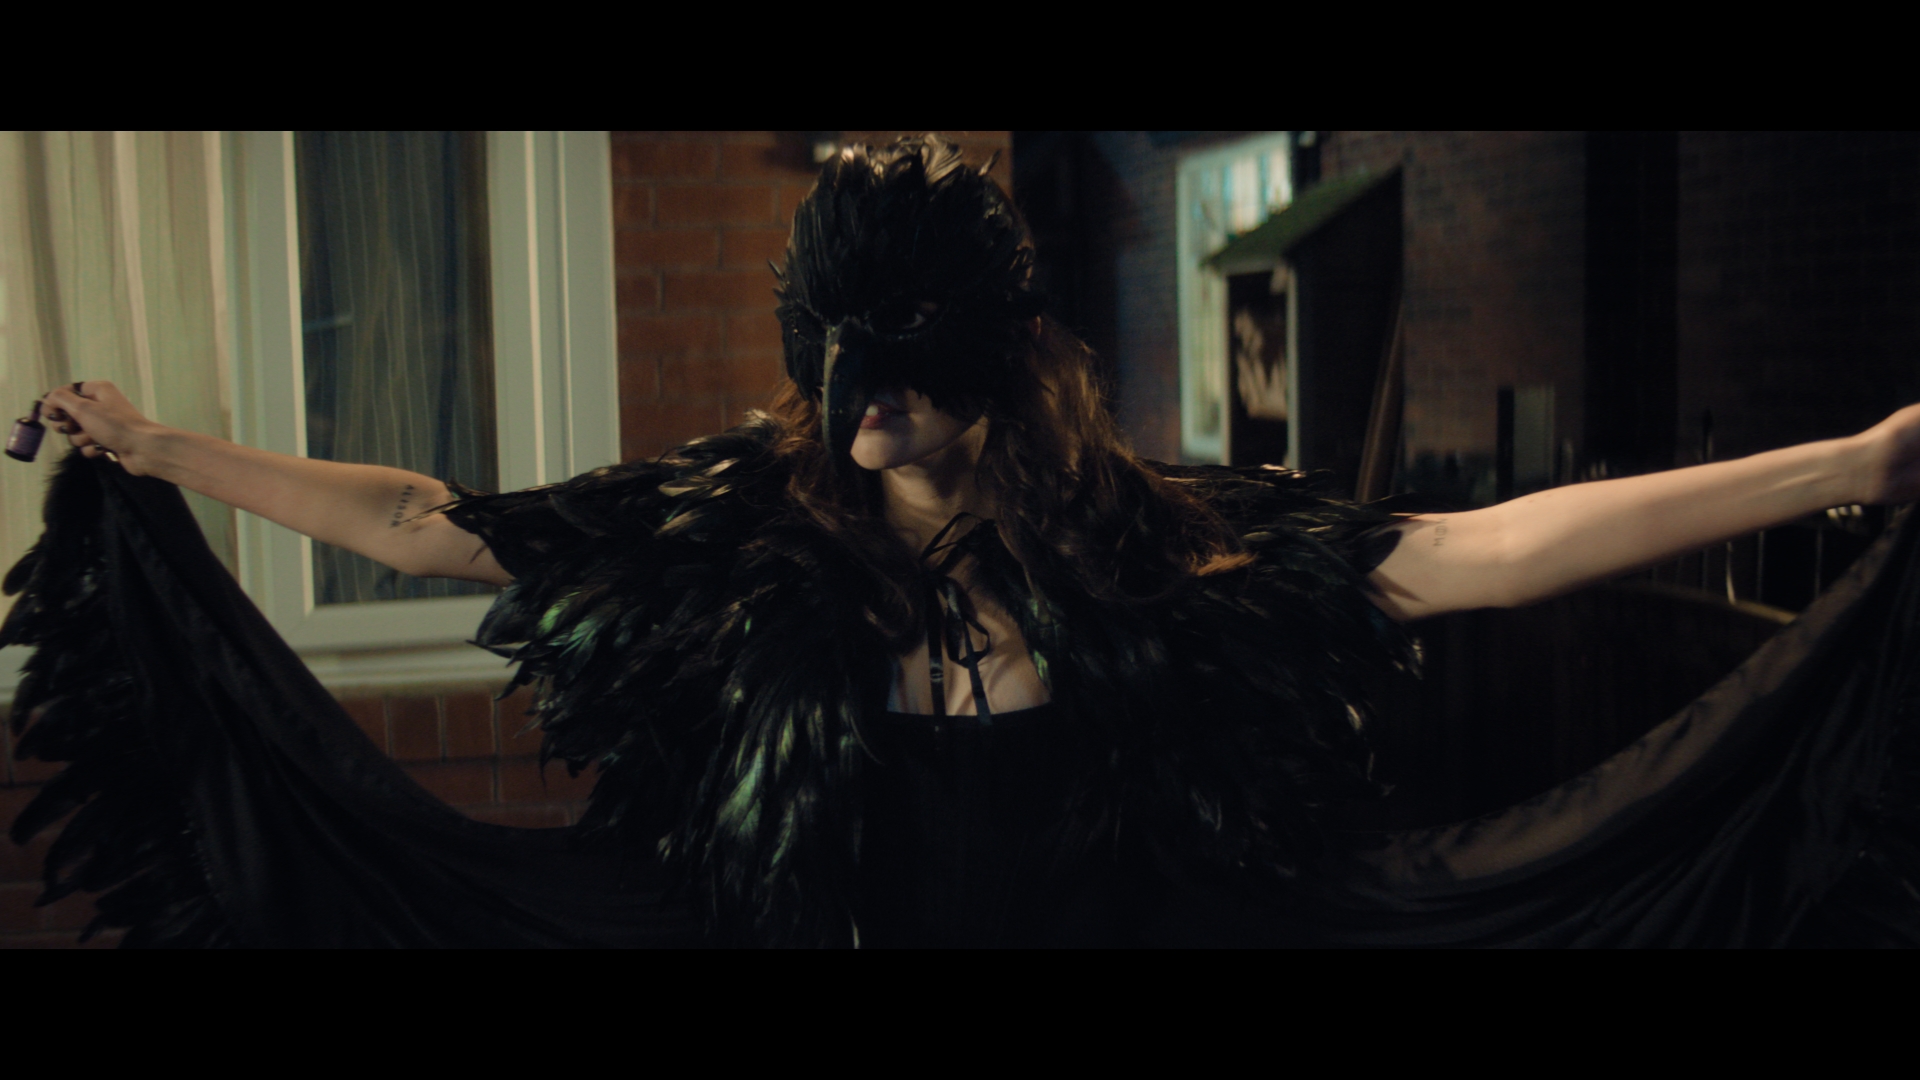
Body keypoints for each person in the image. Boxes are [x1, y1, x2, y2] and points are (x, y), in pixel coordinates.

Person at [10, 135, 1920, 947]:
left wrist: (1846, 461)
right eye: (836, 369)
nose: (867, 407)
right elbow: (429, 525)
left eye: (904, 366)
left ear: (995, 361)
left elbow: (1476, 551)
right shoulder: (741, 531)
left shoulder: (1151, 542)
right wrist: (163, 448)